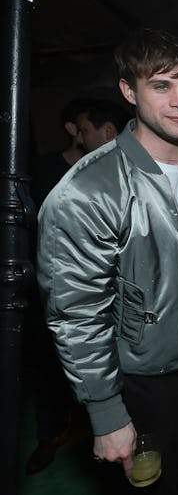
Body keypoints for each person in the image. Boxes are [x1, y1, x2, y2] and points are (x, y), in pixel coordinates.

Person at [36, 28, 178, 495]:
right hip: (149, 383)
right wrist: (105, 411)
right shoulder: (88, 190)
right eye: (162, 86)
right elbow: (75, 313)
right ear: (129, 91)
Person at [25, 96, 93, 475]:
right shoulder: (46, 169)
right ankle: (49, 436)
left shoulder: (109, 170)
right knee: (52, 364)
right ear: (73, 130)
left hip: (104, 287)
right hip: (55, 286)